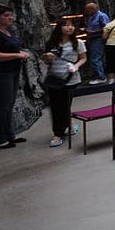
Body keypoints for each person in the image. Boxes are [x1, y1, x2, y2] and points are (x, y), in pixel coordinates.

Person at [0, 5, 31, 149]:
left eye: (11, 15)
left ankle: (9, 135)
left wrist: (20, 53)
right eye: (6, 15)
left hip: (12, 71)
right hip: (1, 73)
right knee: (3, 106)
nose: (10, 18)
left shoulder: (6, 32)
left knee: (9, 105)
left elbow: (8, 48)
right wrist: (17, 55)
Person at [42, 18, 86, 147]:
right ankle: (65, 126)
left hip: (70, 78)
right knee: (56, 106)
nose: (70, 28)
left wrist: (76, 66)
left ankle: (58, 134)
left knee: (64, 105)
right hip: (54, 78)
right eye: (66, 25)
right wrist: (47, 58)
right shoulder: (51, 43)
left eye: (72, 25)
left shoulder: (77, 43)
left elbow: (83, 58)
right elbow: (47, 62)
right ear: (59, 28)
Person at [83, 2, 109, 84]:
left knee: (96, 58)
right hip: (92, 39)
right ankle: (97, 75)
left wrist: (93, 31)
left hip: (98, 39)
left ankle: (101, 77)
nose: (86, 11)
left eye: (87, 9)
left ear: (92, 9)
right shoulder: (92, 17)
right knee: (94, 57)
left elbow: (106, 28)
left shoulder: (101, 16)